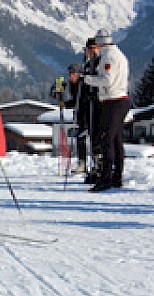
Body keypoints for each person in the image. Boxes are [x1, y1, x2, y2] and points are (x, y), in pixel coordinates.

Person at [84, 29, 131, 192]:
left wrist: (87, 79)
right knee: (116, 141)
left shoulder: (108, 57)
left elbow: (107, 80)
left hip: (113, 101)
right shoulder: (119, 55)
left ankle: (106, 178)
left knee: (107, 139)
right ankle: (116, 176)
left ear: (100, 42)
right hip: (121, 99)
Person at [83, 37, 103, 184]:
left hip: (100, 104)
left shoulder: (101, 62)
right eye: (89, 49)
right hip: (89, 105)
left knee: (99, 136)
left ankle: (101, 168)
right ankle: (95, 167)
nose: (91, 52)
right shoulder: (88, 64)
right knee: (93, 136)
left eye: (93, 49)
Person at [65, 63, 87, 173]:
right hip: (79, 115)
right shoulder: (72, 85)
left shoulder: (84, 84)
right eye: (69, 74)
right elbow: (75, 101)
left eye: (73, 74)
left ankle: (94, 163)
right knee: (80, 139)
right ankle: (82, 163)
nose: (70, 76)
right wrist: (65, 104)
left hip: (87, 115)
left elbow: (83, 101)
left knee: (85, 138)